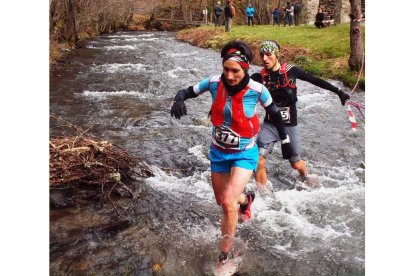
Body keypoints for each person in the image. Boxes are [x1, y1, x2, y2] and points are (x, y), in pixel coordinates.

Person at [170, 40, 293, 263]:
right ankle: (246, 200)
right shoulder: (214, 82)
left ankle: (224, 254)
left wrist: (285, 139)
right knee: (223, 200)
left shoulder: (257, 90)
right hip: (218, 152)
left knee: (228, 202)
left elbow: (274, 113)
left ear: (245, 68)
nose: (229, 75)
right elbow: (187, 90)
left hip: (244, 153)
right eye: (225, 69)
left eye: (234, 70)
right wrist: (178, 99)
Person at [251, 40, 350, 187]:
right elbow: (239, 87)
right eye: (261, 55)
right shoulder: (259, 77)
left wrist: (339, 92)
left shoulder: (291, 71)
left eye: (268, 54)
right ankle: (264, 195)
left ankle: (306, 177)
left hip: (290, 126)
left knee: (296, 164)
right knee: (258, 160)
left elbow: (315, 80)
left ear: (276, 55)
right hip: (270, 125)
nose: (264, 59)